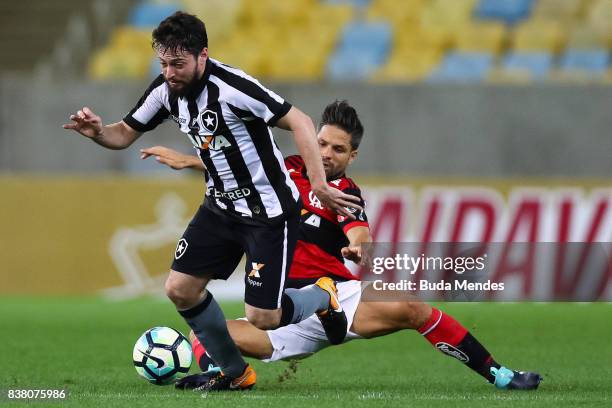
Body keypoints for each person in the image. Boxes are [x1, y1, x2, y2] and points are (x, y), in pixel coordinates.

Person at [142, 100, 542, 391]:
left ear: (353, 155)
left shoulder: (343, 193)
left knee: (413, 307)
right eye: (321, 144)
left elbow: (360, 233)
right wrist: (188, 160)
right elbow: (236, 162)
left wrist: (359, 248)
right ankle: (225, 376)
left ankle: (500, 375)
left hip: (339, 298)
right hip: (279, 311)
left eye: (338, 149)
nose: (327, 154)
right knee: (204, 335)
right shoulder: (286, 169)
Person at [63, 12, 363, 392]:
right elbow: (123, 134)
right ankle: (236, 374)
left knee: (264, 317)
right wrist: (97, 133)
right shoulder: (164, 91)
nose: (170, 72)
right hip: (219, 208)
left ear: (202, 55)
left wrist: (318, 184)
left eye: (178, 63)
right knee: (179, 289)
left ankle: (323, 296)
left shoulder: (234, 87)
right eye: (164, 63)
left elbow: (301, 122)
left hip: (267, 213)